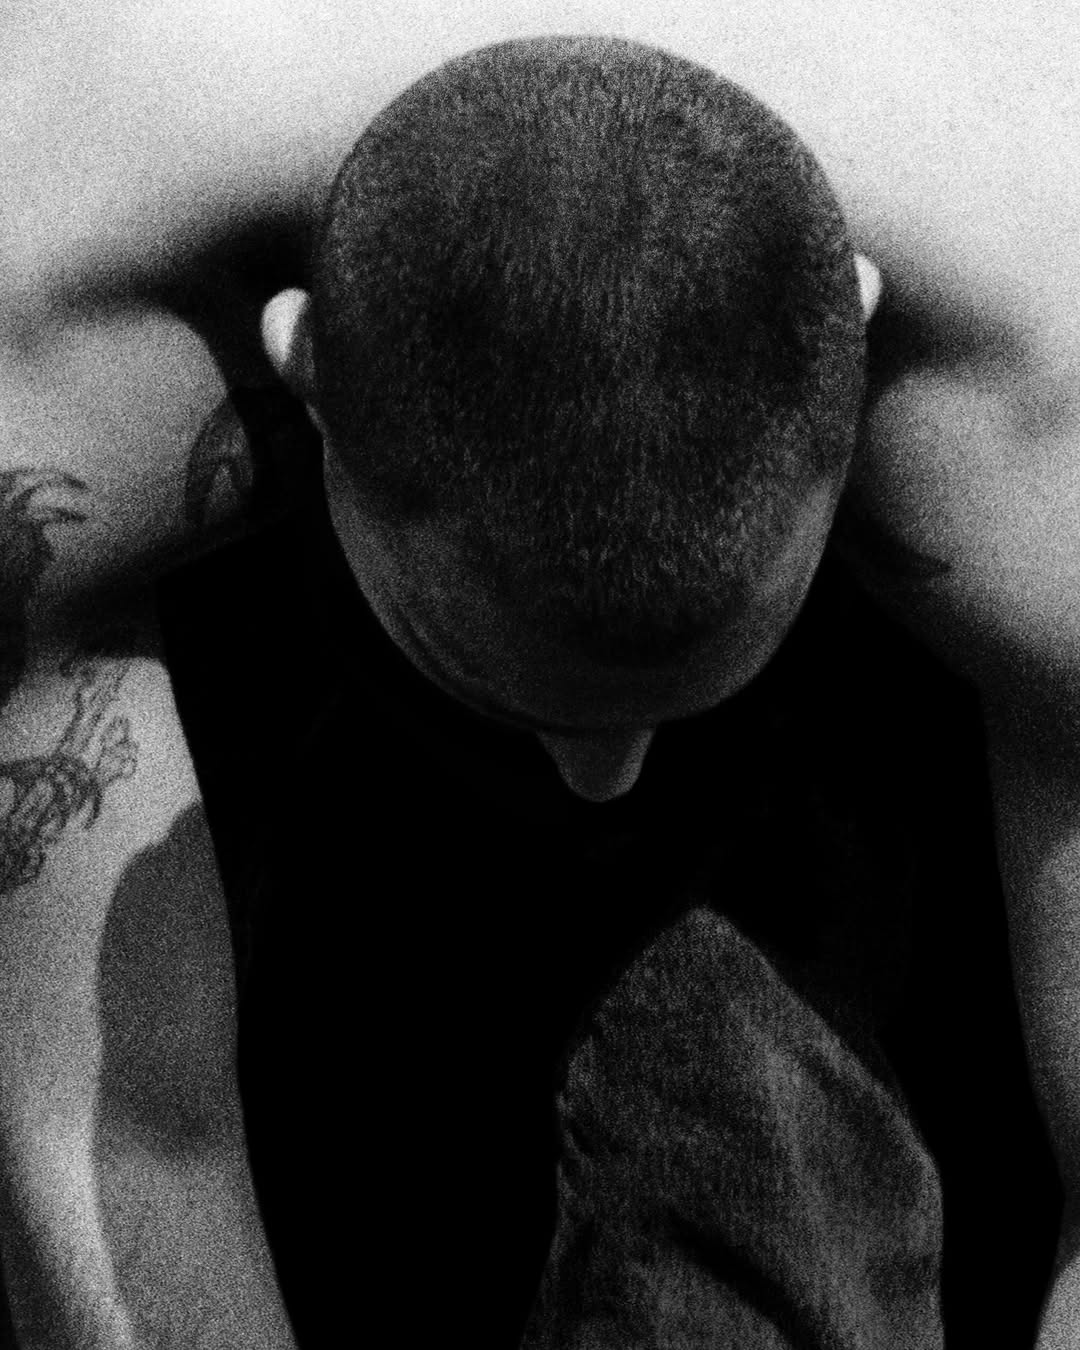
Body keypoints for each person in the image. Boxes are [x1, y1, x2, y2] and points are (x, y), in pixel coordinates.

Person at [0, 5, 1076, 1347]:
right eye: (527, 705)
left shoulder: (1040, 419)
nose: (601, 779)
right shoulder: (49, 367)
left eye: (679, 696)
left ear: (851, 334)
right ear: (303, 366)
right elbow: (136, 1134)